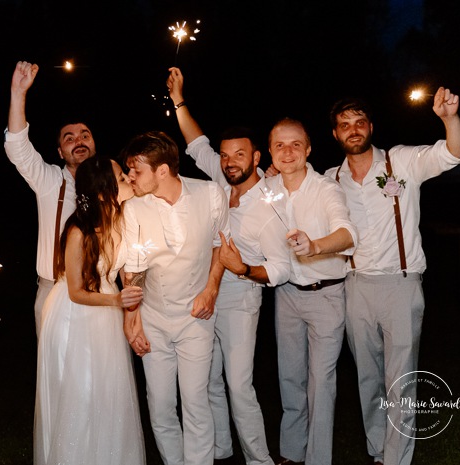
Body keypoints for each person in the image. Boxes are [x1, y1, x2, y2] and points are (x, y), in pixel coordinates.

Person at [325, 88, 460, 465]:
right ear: (336, 135)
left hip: (401, 284)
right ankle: (377, 449)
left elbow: (454, 152)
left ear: (371, 127)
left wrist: (449, 118)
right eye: (344, 125)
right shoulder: (328, 180)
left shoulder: (401, 161)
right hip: (355, 286)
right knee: (368, 379)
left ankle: (397, 458)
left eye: (359, 123)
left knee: (401, 380)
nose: (353, 130)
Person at [166, 67, 290, 465]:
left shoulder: (270, 205)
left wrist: (243, 269)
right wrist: (178, 99)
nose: (230, 161)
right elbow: (195, 140)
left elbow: (280, 269)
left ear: (257, 157)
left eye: (240, 154)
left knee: (238, 385)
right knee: (208, 382)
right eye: (225, 155)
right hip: (204, 296)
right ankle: (219, 452)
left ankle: (259, 460)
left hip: (239, 300)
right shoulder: (218, 183)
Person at [121, 131, 231, 465]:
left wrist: (211, 289)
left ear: (162, 170)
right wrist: (132, 321)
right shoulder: (133, 209)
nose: (129, 178)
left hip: (196, 318)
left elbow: (220, 245)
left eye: (135, 171)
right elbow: (133, 271)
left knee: (196, 400)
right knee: (160, 404)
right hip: (154, 317)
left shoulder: (210, 193)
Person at [34, 157, 146, 465]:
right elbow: (75, 292)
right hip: (75, 316)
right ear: (101, 192)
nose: (129, 179)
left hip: (107, 313)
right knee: (80, 395)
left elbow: (127, 267)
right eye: (122, 178)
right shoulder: (78, 231)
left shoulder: (122, 217)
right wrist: (117, 302)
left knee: (109, 394)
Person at [264, 118, 357, 465]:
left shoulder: (326, 189)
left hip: (327, 296)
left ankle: (319, 458)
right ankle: (291, 452)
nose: (288, 152)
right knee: (290, 376)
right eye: (280, 145)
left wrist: (315, 245)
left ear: (309, 149)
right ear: (271, 150)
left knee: (321, 383)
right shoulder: (269, 188)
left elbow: (347, 234)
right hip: (286, 295)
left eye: (295, 144)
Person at [4, 60, 97, 336]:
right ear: (59, 152)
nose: (78, 141)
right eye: (69, 138)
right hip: (54, 289)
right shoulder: (49, 180)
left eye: (85, 135)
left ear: (94, 143)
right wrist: (18, 93)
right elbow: (17, 148)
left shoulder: (114, 183)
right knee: (54, 374)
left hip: (98, 290)